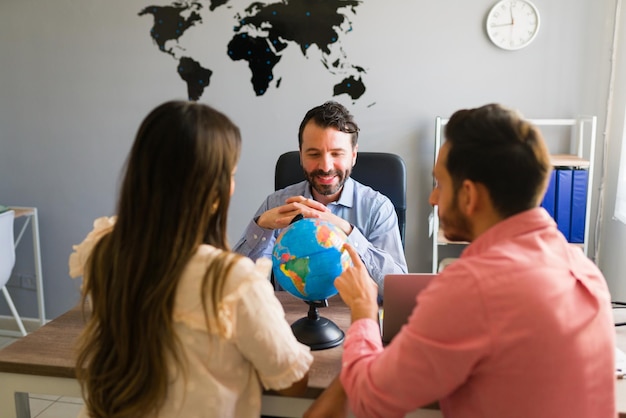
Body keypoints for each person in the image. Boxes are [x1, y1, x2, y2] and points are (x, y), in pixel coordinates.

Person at [305, 103, 616, 418]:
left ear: (469, 196)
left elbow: (369, 401)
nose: (433, 199)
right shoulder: (586, 271)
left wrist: (364, 311)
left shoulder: (473, 288)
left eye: (439, 183)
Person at [68, 101, 313, 418]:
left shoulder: (101, 250)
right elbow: (293, 382)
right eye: (231, 174)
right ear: (211, 191)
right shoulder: (231, 279)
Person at [233, 101, 407, 296]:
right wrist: (261, 226)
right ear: (301, 155)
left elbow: (397, 291)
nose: (325, 166)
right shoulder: (276, 203)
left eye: (336, 154)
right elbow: (233, 285)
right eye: (314, 154)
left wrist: (347, 231)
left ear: (353, 155)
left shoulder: (378, 208)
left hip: (355, 318)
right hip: (291, 320)